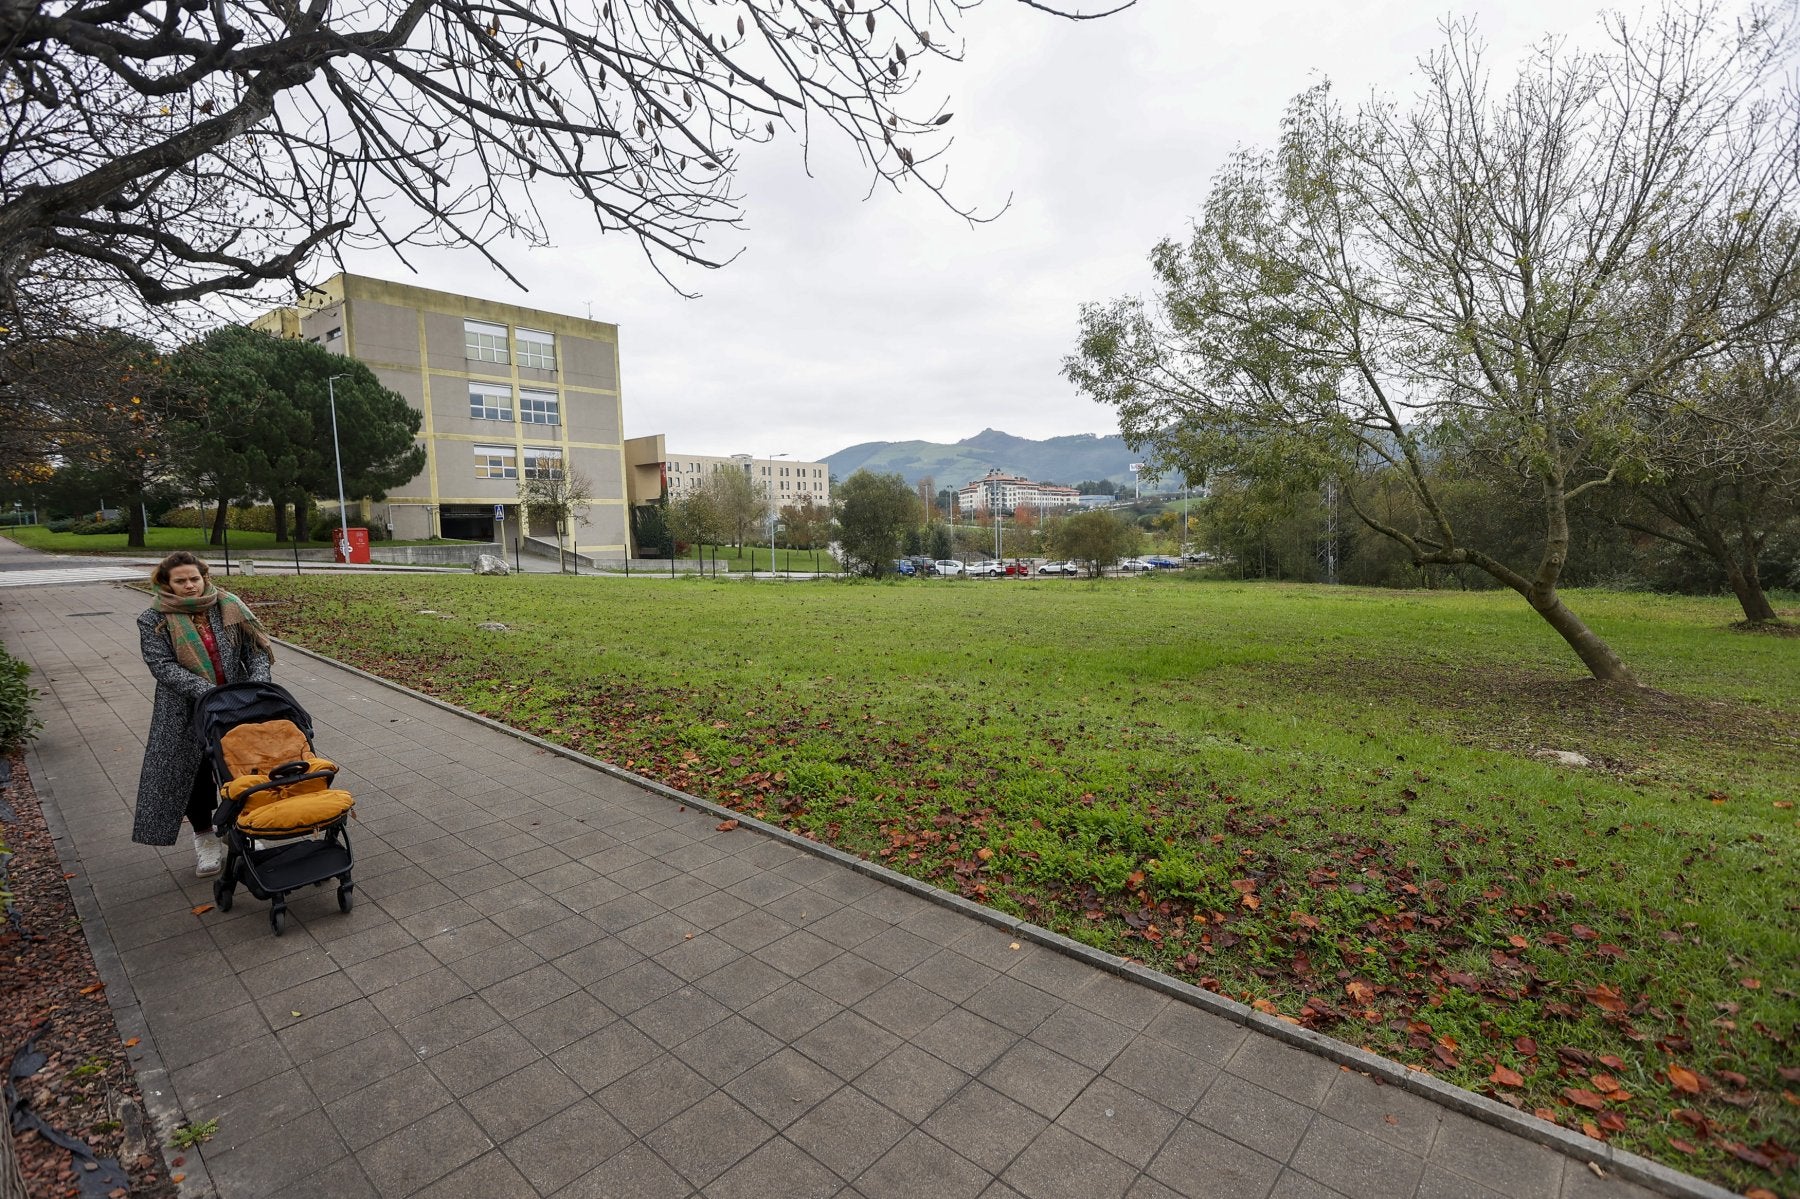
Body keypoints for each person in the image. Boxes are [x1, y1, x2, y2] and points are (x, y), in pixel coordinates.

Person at [133, 552, 275, 876]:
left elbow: (256, 651)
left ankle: (242, 828)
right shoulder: (152, 618)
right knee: (193, 775)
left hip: (237, 703)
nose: (189, 586)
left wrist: (257, 686)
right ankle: (205, 838)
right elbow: (162, 667)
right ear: (166, 583)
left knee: (240, 768)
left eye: (194, 579)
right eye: (180, 580)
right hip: (184, 708)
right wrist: (207, 692)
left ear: (204, 577)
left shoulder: (228, 604)